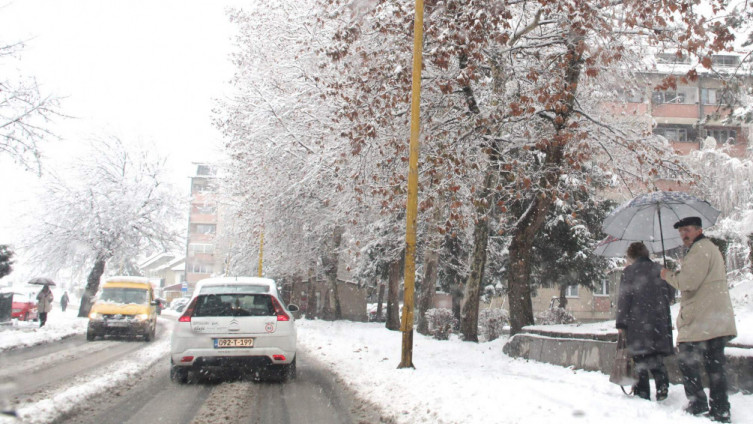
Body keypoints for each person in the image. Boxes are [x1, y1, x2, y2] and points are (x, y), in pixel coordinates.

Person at [661, 216, 737, 423]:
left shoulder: (700, 249)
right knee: (715, 367)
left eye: (687, 230)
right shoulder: (707, 248)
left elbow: (688, 282)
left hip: (701, 321)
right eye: (681, 232)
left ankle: (699, 403)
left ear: (698, 230)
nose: (683, 235)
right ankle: (720, 408)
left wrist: (667, 274)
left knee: (687, 360)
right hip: (713, 319)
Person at [616, 242, 675, 401]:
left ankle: (642, 393)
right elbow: (670, 294)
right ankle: (662, 384)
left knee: (640, 357)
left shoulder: (629, 272)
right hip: (659, 321)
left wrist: (621, 323)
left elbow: (624, 298)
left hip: (638, 321)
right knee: (655, 354)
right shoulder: (659, 269)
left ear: (632, 256)